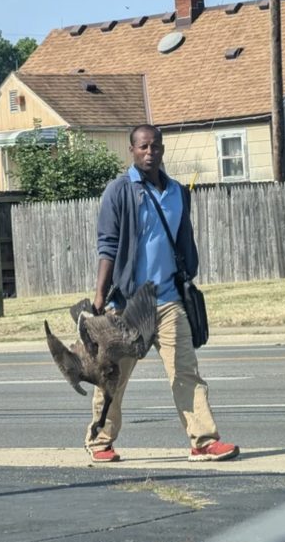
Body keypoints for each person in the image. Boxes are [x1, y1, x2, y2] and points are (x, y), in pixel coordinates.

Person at [84, 124, 239, 464]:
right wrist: (99, 296)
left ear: (163, 150)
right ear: (132, 150)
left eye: (155, 146)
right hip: (128, 305)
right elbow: (107, 245)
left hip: (168, 300)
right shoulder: (119, 191)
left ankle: (203, 441)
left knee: (186, 371)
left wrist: (188, 278)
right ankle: (100, 442)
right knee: (113, 378)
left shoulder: (177, 193)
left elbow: (184, 241)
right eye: (143, 147)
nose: (150, 152)